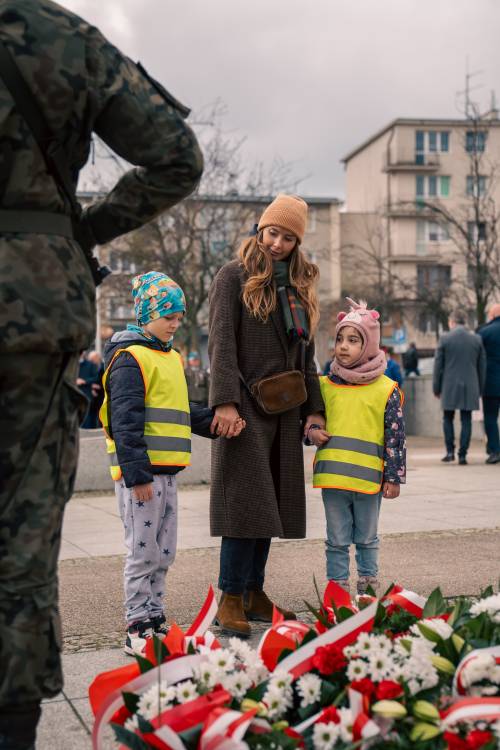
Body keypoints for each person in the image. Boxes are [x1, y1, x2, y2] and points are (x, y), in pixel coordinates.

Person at [0, 0, 203, 745]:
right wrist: (75, 231)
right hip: (32, 303)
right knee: (20, 533)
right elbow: (177, 156)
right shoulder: (63, 37)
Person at [99, 272, 243, 656]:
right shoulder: (130, 359)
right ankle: (136, 624)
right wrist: (137, 474)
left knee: (163, 552)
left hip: (167, 473)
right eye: (169, 316)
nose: (175, 323)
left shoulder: (170, 357)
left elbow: (179, 412)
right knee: (142, 551)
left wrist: (216, 423)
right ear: (146, 314)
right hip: (143, 477)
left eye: (179, 316)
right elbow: (124, 421)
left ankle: (155, 616)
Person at [208, 194, 325, 637]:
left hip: (285, 409)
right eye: (272, 232)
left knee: (269, 506)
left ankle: (255, 592)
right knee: (244, 505)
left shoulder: (298, 286)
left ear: (297, 242)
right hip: (243, 405)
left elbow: (307, 355)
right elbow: (221, 342)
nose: (276, 243)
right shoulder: (233, 275)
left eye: (288, 237)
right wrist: (224, 401)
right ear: (261, 229)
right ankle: (230, 598)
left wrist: (315, 412)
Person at [308, 298, 406, 595]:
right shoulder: (324, 385)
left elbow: (395, 437)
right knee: (336, 539)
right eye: (339, 339)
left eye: (353, 340)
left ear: (369, 345)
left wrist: (393, 477)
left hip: (369, 480)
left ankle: (368, 587)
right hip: (334, 479)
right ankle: (337, 589)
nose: (343, 346)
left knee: (367, 538)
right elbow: (311, 421)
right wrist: (312, 432)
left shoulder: (386, 389)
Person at [433, 310, 486, 465]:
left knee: (447, 418)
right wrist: (480, 388)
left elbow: (438, 365)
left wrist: (436, 387)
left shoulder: (445, 338)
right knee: (466, 419)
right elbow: (482, 366)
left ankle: (450, 452)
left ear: (452, 322)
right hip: (471, 385)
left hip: (449, 385)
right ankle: (463, 454)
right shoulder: (476, 339)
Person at [478, 303, 500, 464]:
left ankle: (495, 450)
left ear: (492, 315)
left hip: (491, 383)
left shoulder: (485, 332)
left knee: (491, 418)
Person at [77, 351, 99, 428]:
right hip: (74, 395)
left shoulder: (90, 365)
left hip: (87, 394)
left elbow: (96, 378)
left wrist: (84, 381)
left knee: (87, 416)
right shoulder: (72, 365)